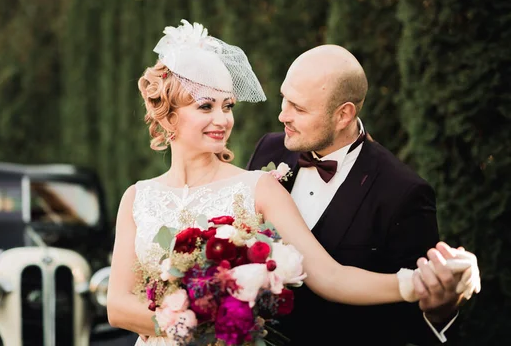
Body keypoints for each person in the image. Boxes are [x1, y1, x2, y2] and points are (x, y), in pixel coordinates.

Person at [106, 21, 477, 346]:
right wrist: (184, 323)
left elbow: (330, 276)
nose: (223, 119)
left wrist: (418, 282)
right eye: (206, 106)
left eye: (228, 106)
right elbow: (118, 306)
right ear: (167, 116)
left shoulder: (258, 188)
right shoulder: (137, 197)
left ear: (344, 114)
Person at [246, 44, 471, 344]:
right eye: (284, 99)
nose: (282, 115)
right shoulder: (269, 149)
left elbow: (416, 317)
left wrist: (441, 309)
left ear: (343, 115)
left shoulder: (402, 193)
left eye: (298, 108)